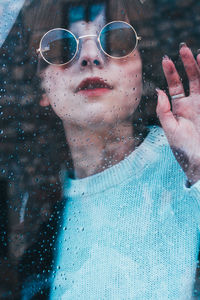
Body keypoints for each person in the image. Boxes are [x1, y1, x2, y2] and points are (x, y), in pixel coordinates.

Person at [6, 0, 200, 298]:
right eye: (60, 47)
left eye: (117, 40)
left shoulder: (188, 165)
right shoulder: (41, 224)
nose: (90, 56)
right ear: (42, 86)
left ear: (140, 70)